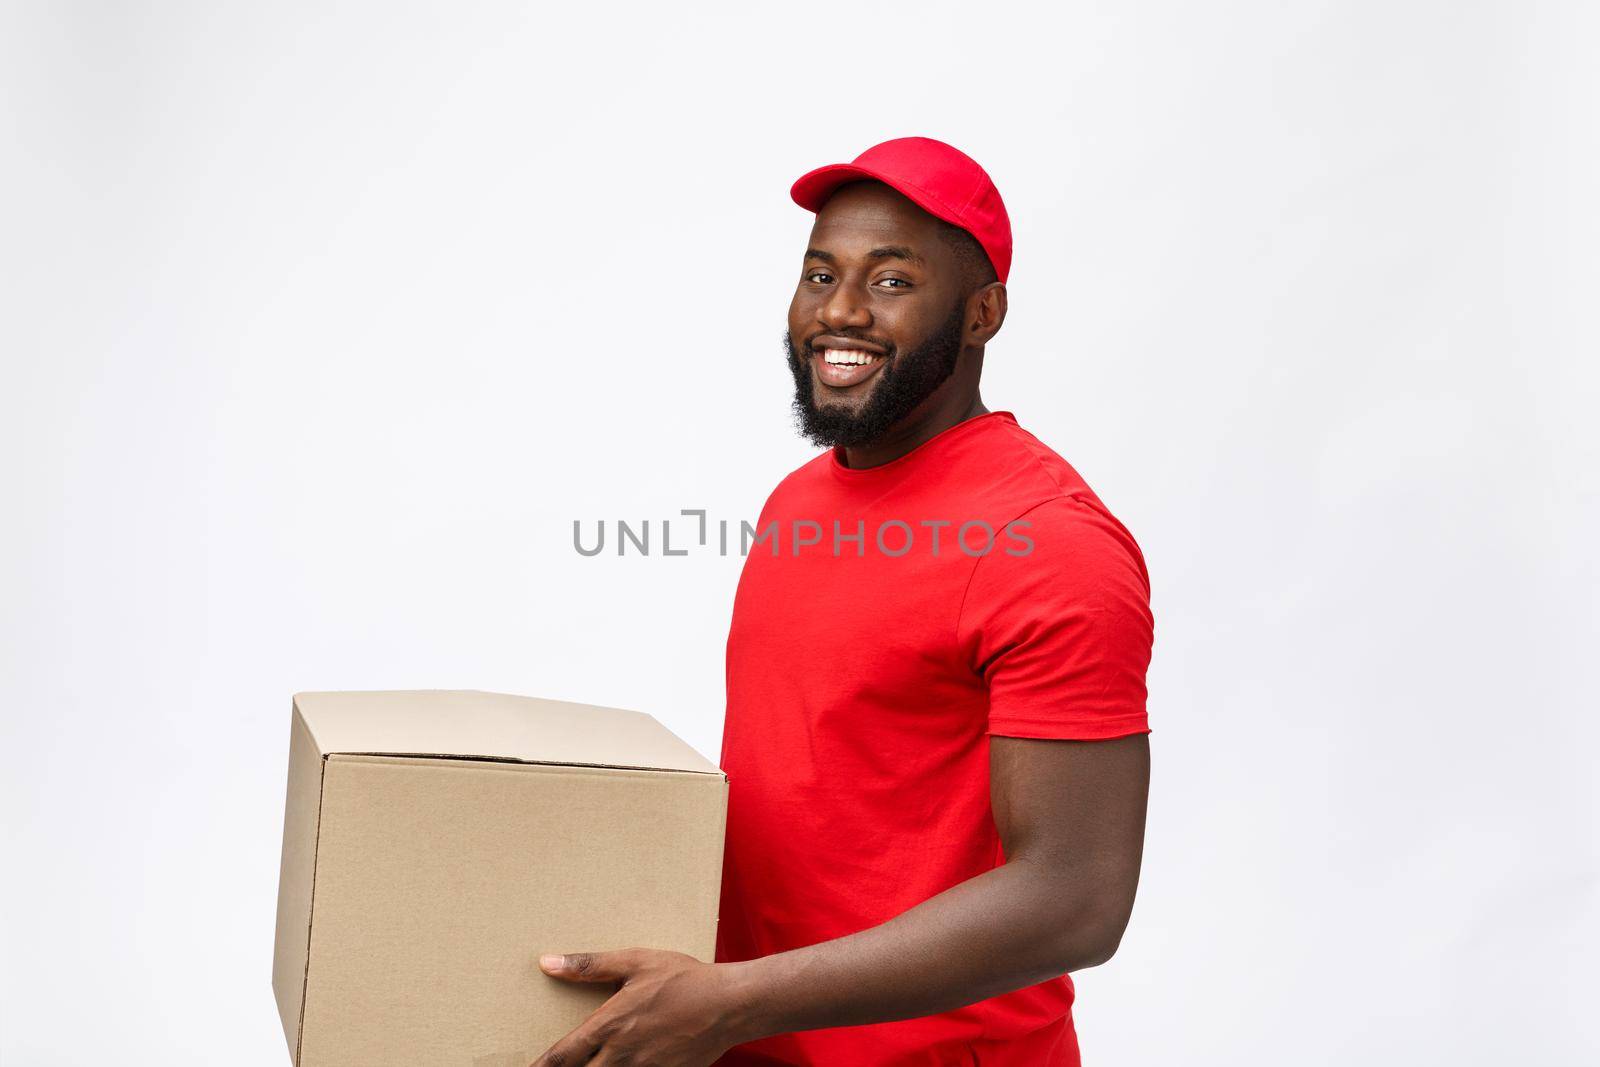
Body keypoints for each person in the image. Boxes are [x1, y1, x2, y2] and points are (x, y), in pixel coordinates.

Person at [534, 136, 1155, 1067]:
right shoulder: (803, 498)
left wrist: (732, 1000)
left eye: (893, 281)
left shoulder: (1047, 541)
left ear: (983, 313)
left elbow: (1076, 896)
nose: (840, 311)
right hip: (744, 1042)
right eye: (819, 273)